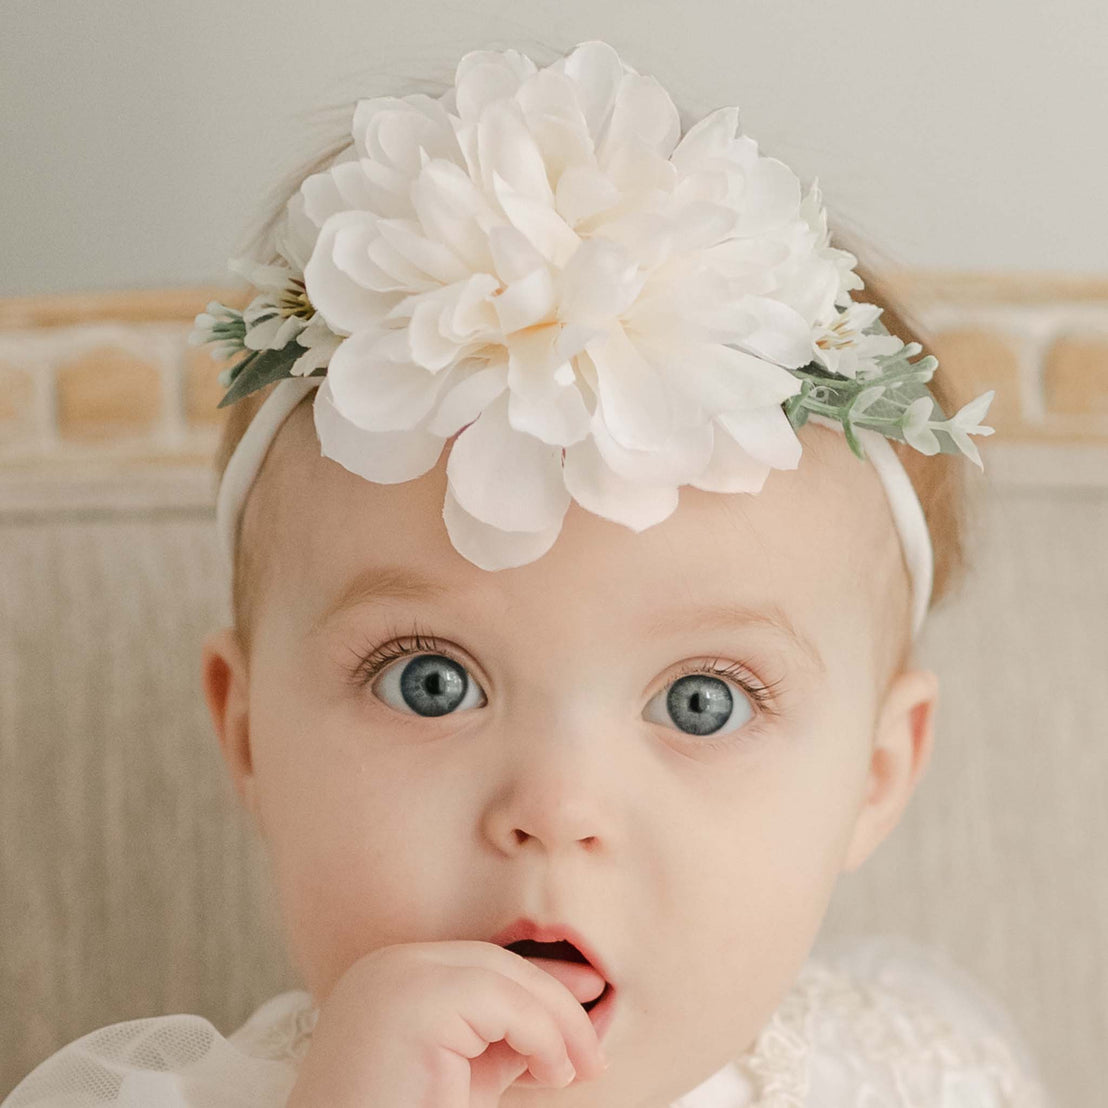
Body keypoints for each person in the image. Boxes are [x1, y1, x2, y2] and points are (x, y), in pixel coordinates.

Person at [2, 37, 1053, 1108]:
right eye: (432, 681)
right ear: (248, 735)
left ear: (874, 775)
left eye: (702, 701)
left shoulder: (914, 1081)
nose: (555, 807)